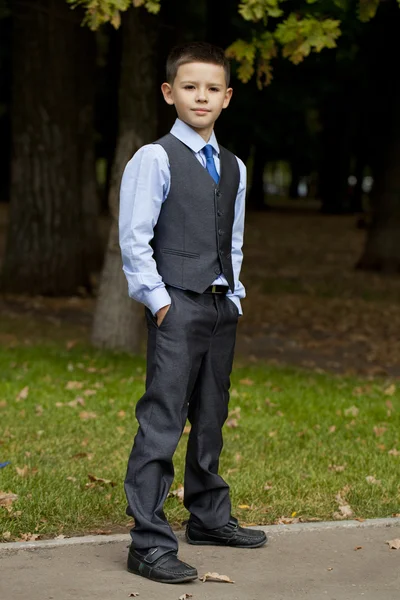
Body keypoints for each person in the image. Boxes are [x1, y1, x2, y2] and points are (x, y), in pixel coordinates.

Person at [119, 41, 267, 585]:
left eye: (211, 88)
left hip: (219, 302)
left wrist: (235, 294)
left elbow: (234, 235)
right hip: (175, 304)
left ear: (226, 97)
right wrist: (158, 301)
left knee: (210, 414)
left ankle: (207, 517)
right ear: (168, 92)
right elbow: (135, 240)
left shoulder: (234, 166)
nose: (200, 96)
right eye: (189, 86)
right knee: (162, 418)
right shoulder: (154, 158)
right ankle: (148, 542)